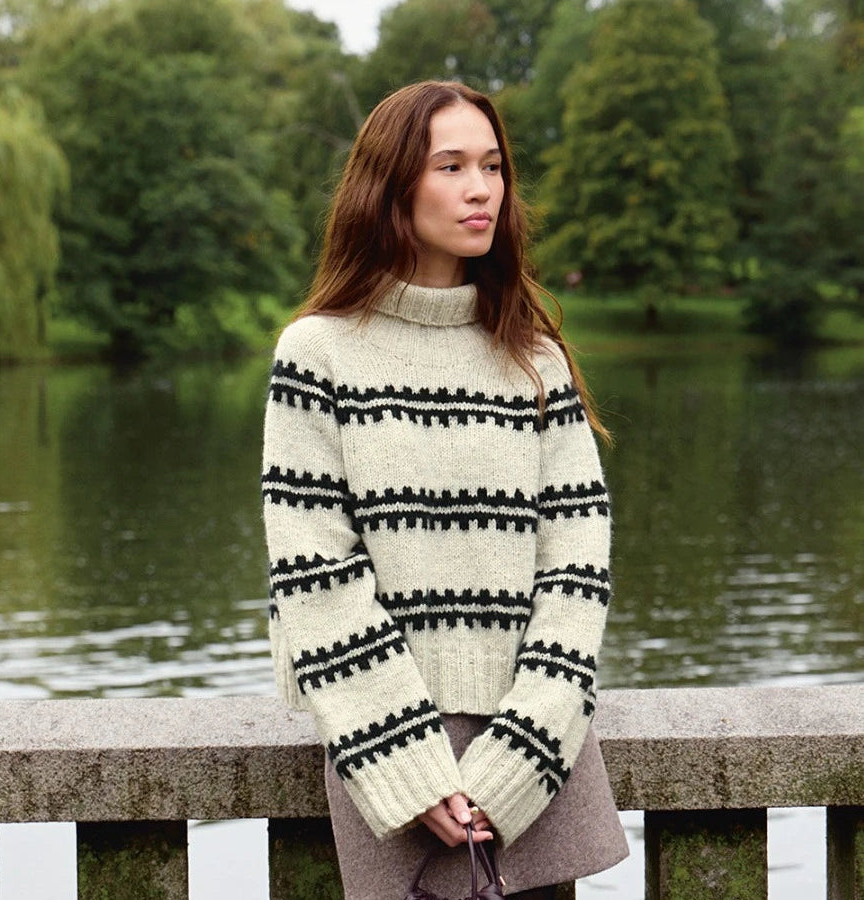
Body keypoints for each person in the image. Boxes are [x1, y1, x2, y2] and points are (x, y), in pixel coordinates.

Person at [261, 80, 627, 900]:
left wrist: (521, 755)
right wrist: (409, 766)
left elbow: (577, 567)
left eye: (492, 166)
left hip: (534, 764)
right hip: (386, 751)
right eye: (452, 165)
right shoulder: (318, 355)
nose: (481, 189)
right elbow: (316, 574)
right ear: (392, 186)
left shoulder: (534, 357)